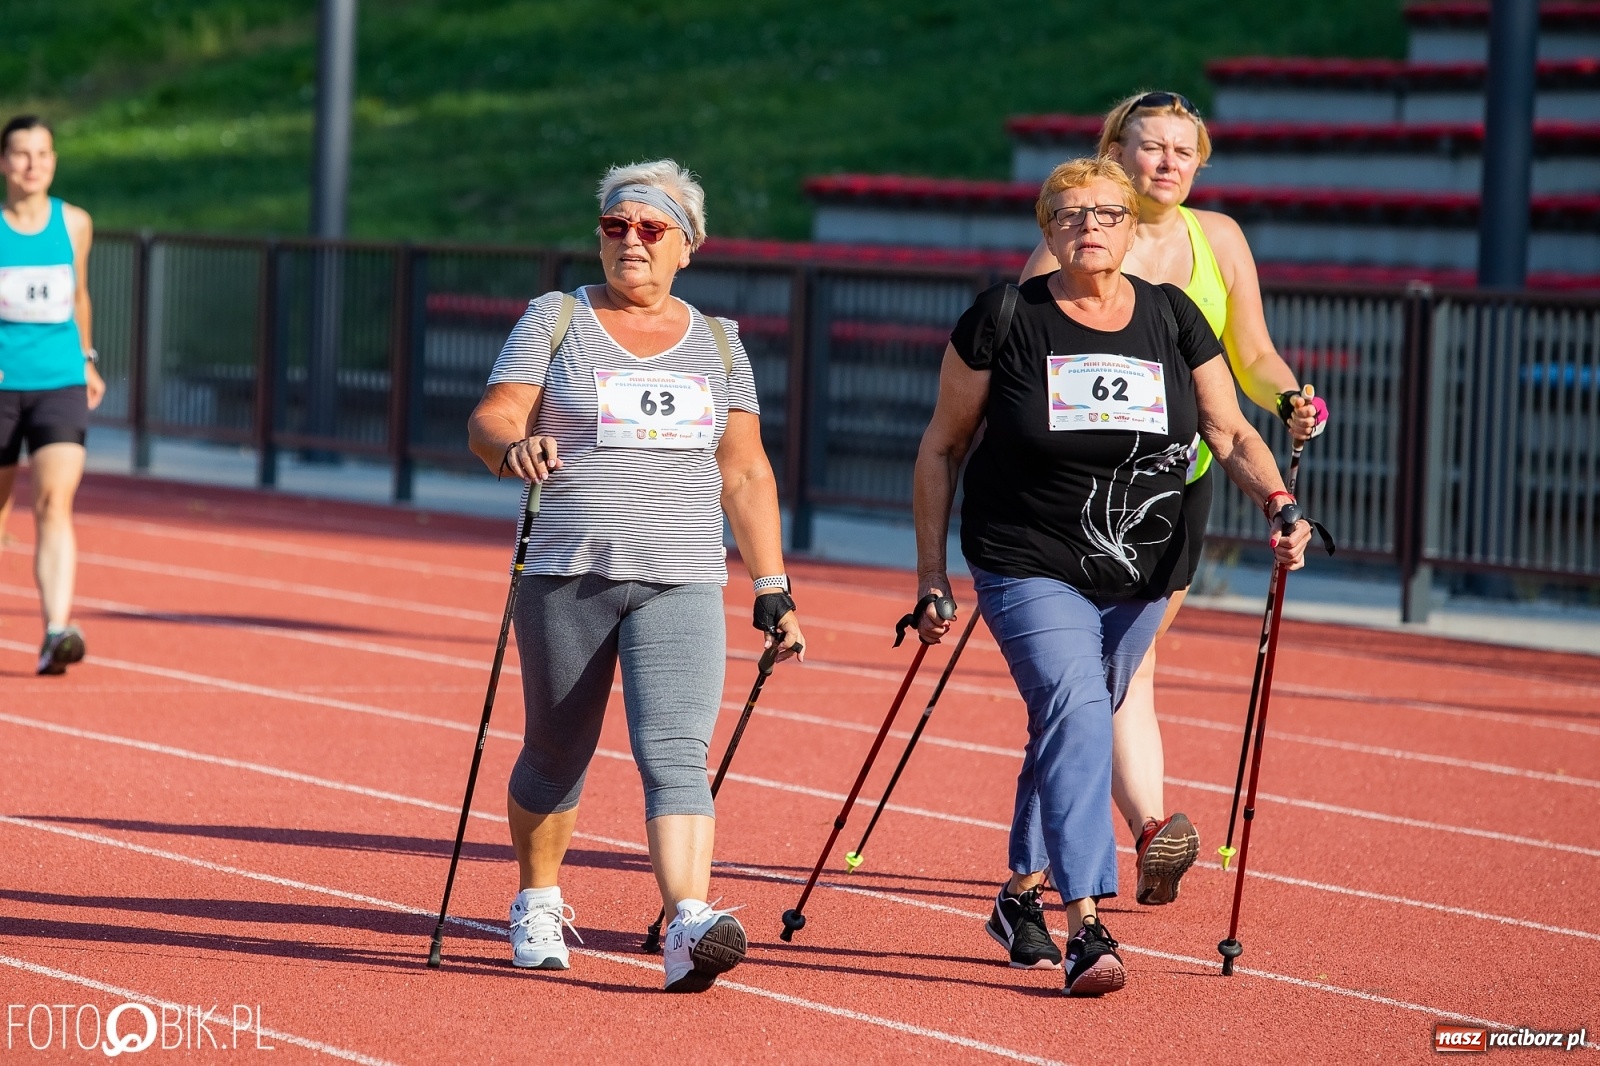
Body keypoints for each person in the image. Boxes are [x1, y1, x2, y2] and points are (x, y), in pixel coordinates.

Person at [913, 157, 1313, 995]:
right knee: (1078, 705)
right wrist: (931, 576)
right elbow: (943, 447)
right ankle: (1085, 925)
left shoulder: (1170, 317)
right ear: (1045, 230)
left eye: (1105, 213)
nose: (1088, 226)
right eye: (1068, 214)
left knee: (1075, 721)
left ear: (1133, 229)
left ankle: (1017, 892)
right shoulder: (1004, 317)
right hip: (1026, 555)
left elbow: (1231, 433)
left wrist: (1279, 502)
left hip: (1145, 563)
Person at [467, 159, 804, 992]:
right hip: (569, 571)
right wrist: (511, 448)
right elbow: (493, 415)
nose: (630, 242)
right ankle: (538, 898)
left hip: (683, 575)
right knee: (556, 751)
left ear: (686, 245)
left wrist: (772, 586)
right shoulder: (557, 317)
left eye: (650, 228)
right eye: (615, 227)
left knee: (677, 754)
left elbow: (746, 474)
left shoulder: (720, 341)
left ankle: (689, 920)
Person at [1018, 91, 1330, 906]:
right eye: (1149, 146)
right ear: (1113, 150)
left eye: (1182, 152)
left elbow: (1251, 352)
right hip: (1070, 498)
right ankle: (1145, 825)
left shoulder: (1217, 238)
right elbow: (1017, 353)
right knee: (1093, 674)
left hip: (1174, 487)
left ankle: (1097, 835)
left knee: (1122, 666)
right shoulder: (1071, 242)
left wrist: (1289, 394)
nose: (1165, 163)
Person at [0, 115, 104, 675]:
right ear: (3, 163)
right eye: (20, 154)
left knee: (53, 502)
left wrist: (87, 357)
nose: (32, 164)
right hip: (0, 386)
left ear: (55, 161)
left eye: (42, 153)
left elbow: (79, 295)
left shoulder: (75, 223)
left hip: (59, 382)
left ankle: (55, 630)